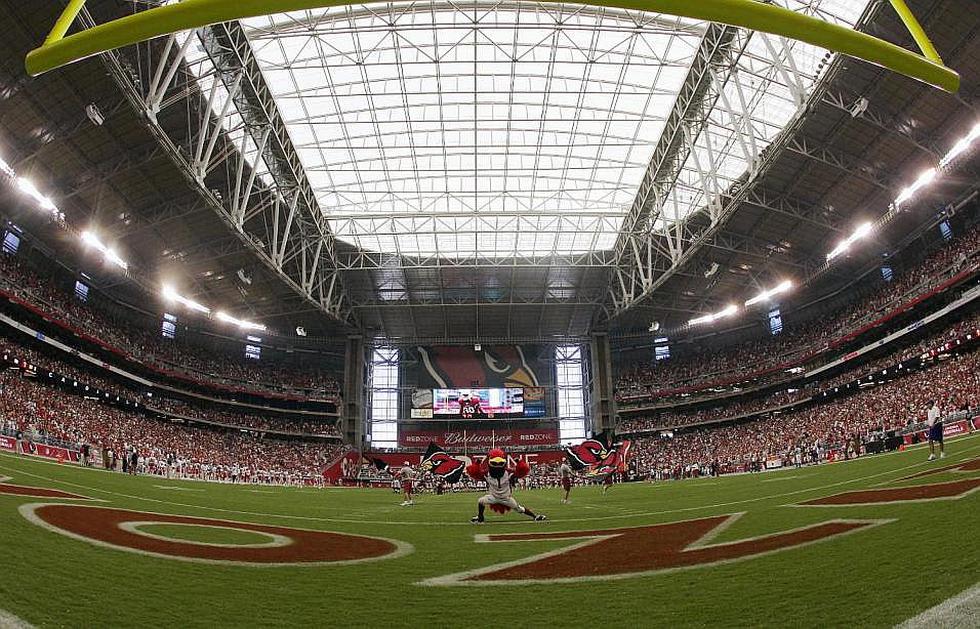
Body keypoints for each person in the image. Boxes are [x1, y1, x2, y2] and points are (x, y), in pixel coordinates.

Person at [466, 448, 546, 523]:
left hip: (506, 498)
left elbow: (520, 472)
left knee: (519, 509)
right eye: (494, 463)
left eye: (500, 463)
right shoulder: (487, 474)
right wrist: (476, 465)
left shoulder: (509, 473)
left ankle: (535, 516)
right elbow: (475, 473)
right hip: (494, 497)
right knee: (480, 501)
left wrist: (519, 463)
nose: (497, 465)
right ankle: (480, 518)